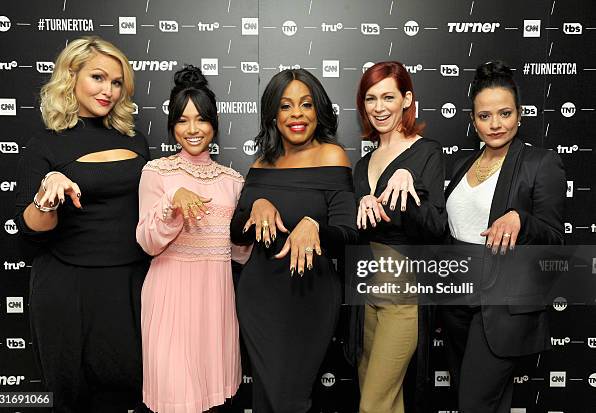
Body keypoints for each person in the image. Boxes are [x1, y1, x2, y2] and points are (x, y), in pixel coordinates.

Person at [14, 36, 150, 412]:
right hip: (66, 286)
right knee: (71, 397)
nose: (109, 90)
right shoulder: (45, 145)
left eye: (117, 82)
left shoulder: (137, 141)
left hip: (128, 282)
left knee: (130, 393)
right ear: (71, 76)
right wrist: (48, 193)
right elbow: (28, 233)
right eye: (98, 77)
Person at [439, 60, 566, 412]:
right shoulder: (462, 165)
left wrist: (521, 220)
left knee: (473, 402)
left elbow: (555, 237)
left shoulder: (540, 163)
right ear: (472, 121)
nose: (495, 124)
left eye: (505, 113)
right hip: (457, 301)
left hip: (501, 306)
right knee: (490, 403)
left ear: (520, 114)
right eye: (484, 116)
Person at [230, 68, 359, 412]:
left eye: (306, 104)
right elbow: (235, 229)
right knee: (265, 399)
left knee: (291, 400)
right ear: (274, 114)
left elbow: (348, 233)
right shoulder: (261, 163)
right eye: (286, 106)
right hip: (258, 297)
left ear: (319, 110)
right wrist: (257, 203)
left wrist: (314, 225)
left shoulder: (333, 156)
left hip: (309, 297)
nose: (297, 114)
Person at [136, 65, 249, 413]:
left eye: (201, 119)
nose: (193, 129)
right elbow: (147, 241)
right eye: (182, 120)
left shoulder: (233, 180)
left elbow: (239, 253)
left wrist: (260, 221)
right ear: (172, 127)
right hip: (169, 298)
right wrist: (173, 203)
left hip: (215, 301)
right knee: (174, 396)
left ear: (214, 125)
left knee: (212, 397)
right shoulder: (156, 172)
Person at [351, 61, 447, 413]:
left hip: (403, 294)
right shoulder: (363, 164)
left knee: (374, 404)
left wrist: (410, 190)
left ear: (406, 99)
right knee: (382, 399)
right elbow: (353, 229)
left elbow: (437, 229)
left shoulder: (426, 152)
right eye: (371, 98)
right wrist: (359, 201)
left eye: (388, 97)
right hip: (365, 293)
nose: (379, 107)